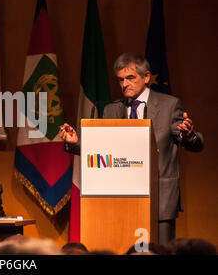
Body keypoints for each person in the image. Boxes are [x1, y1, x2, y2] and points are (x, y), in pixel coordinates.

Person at [59, 53, 204, 245]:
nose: (125, 84)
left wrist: (189, 135)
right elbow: (101, 151)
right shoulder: (112, 110)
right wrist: (76, 142)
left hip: (159, 199)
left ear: (145, 77)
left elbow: (196, 143)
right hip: (120, 198)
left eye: (130, 78)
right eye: (120, 80)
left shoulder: (169, 105)